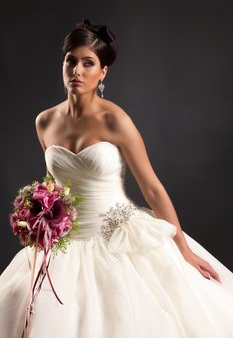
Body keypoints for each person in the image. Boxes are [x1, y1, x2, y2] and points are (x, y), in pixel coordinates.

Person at [0, 18, 233, 338]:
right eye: (71, 60)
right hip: (67, 245)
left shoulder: (116, 120)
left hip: (118, 235)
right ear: (63, 63)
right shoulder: (45, 122)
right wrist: (42, 217)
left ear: (102, 72)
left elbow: (151, 186)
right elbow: (53, 184)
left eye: (88, 63)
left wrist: (185, 251)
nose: (77, 71)